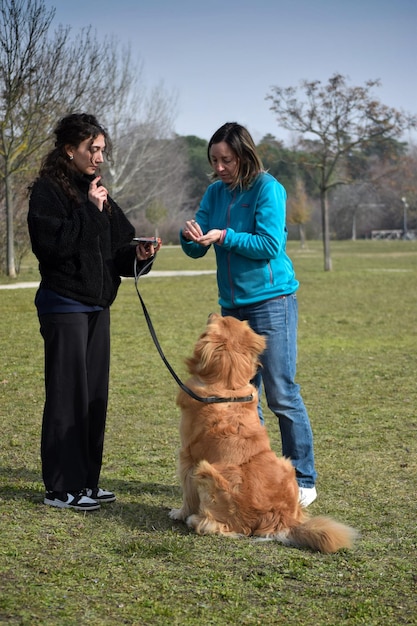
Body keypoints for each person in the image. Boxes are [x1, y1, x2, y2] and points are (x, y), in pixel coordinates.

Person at [28, 113, 161, 511]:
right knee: (67, 396)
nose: (100, 157)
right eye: (93, 149)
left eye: (103, 149)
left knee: (93, 399)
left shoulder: (97, 191)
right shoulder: (47, 193)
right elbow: (52, 248)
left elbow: (117, 248)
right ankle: (59, 488)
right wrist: (88, 210)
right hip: (63, 305)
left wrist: (138, 253)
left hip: (97, 308)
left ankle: (86, 482)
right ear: (70, 150)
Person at [180, 122, 317, 507]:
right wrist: (190, 238)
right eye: (214, 160)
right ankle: (252, 472)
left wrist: (225, 236)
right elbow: (198, 244)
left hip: (272, 302)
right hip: (233, 308)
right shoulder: (214, 193)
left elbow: (270, 244)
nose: (220, 167)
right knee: (240, 397)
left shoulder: (268, 189)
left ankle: (304, 478)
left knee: (281, 392)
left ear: (244, 155)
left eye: (226, 160)